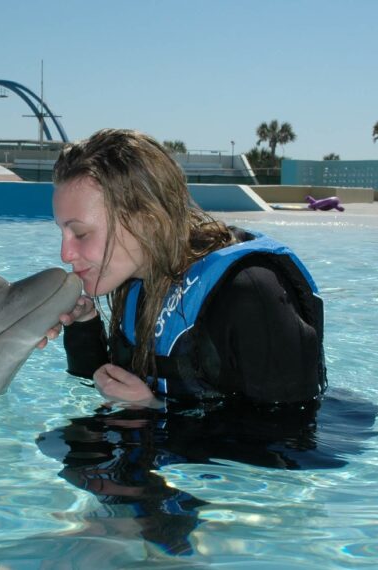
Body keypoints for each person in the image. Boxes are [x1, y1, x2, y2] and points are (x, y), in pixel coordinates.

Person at [41, 128, 326, 413]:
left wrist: (151, 407)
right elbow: (110, 384)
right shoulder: (139, 283)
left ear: (147, 221)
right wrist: (83, 326)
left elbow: (291, 432)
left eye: (80, 234)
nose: (65, 254)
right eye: (62, 233)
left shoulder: (250, 293)